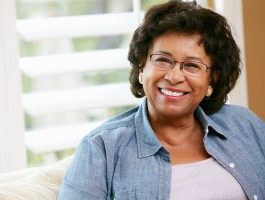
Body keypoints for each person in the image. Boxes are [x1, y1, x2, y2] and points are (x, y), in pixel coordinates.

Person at [58, 1, 265, 199]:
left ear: (212, 78)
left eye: (192, 65)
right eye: (162, 60)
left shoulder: (245, 125)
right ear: (141, 66)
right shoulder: (101, 148)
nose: (174, 77)